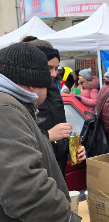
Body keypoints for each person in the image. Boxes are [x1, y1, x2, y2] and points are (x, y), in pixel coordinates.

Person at [0, 42, 81, 221]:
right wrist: (67, 219)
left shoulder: (12, 106)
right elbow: (23, 188)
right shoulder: (6, 110)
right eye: (48, 81)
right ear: (33, 84)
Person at [25, 37, 86, 178]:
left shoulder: (53, 90)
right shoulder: (22, 95)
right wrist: (49, 136)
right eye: (48, 68)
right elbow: (18, 145)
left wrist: (74, 150)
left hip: (59, 169)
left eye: (56, 68)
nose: (54, 74)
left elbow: (62, 128)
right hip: (38, 174)